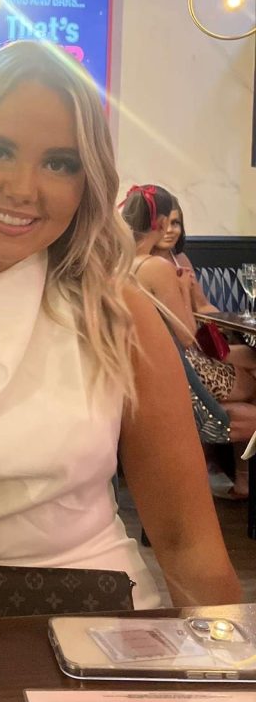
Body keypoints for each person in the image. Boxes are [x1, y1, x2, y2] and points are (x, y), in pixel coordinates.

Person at [0, 41, 241, 613]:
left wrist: (231, 661)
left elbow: (188, 542)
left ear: (88, 183)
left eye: (59, 163)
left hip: (107, 619)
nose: (23, 188)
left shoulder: (120, 313)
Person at [121, 183, 254, 500]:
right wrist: (182, 288)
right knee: (252, 379)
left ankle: (230, 476)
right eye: (168, 220)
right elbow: (186, 334)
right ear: (159, 222)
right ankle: (224, 470)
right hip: (180, 367)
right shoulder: (157, 266)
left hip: (151, 366)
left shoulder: (124, 263)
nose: (171, 228)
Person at [151, 199, 217, 315]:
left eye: (175, 223)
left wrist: (228, 324)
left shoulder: (181, 259)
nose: (169, 230)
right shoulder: (140, 262)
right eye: (162, 224)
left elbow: (202, 306)